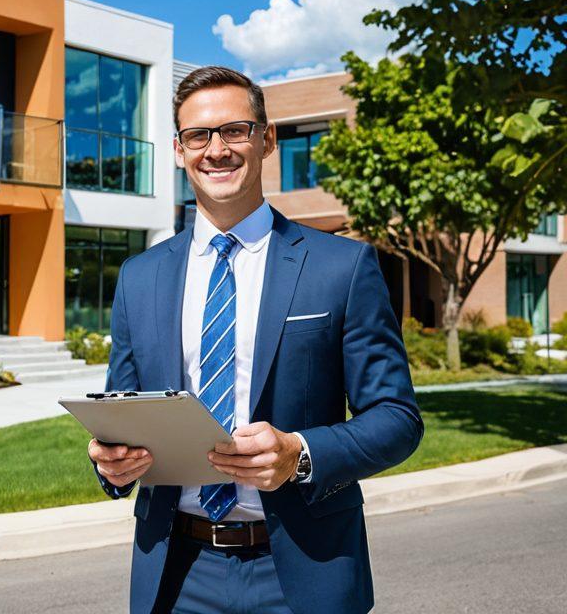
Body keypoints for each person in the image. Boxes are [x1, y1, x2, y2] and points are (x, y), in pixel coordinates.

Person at [89, 66, 422, 614]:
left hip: (302, 572)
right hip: (176, 573)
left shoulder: (342, 266)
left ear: (267, 139)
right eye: (198, 135)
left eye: (234, 130)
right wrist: (112, 461)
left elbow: (396, 417)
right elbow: (123, 411)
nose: (215, 150)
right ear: (178, 150)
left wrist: (301, 454)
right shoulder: (139, 277)